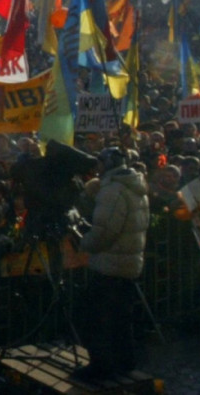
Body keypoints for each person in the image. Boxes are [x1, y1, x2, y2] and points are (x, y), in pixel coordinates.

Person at [73, 147, 150, 381]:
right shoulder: (136, 186)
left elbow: (105, 232)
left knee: (98, 319)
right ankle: (125, 362)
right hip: (129, 262)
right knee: (121, 318)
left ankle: (101, 366)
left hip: (110, 264)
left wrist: (83, 241)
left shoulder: (113, 190)